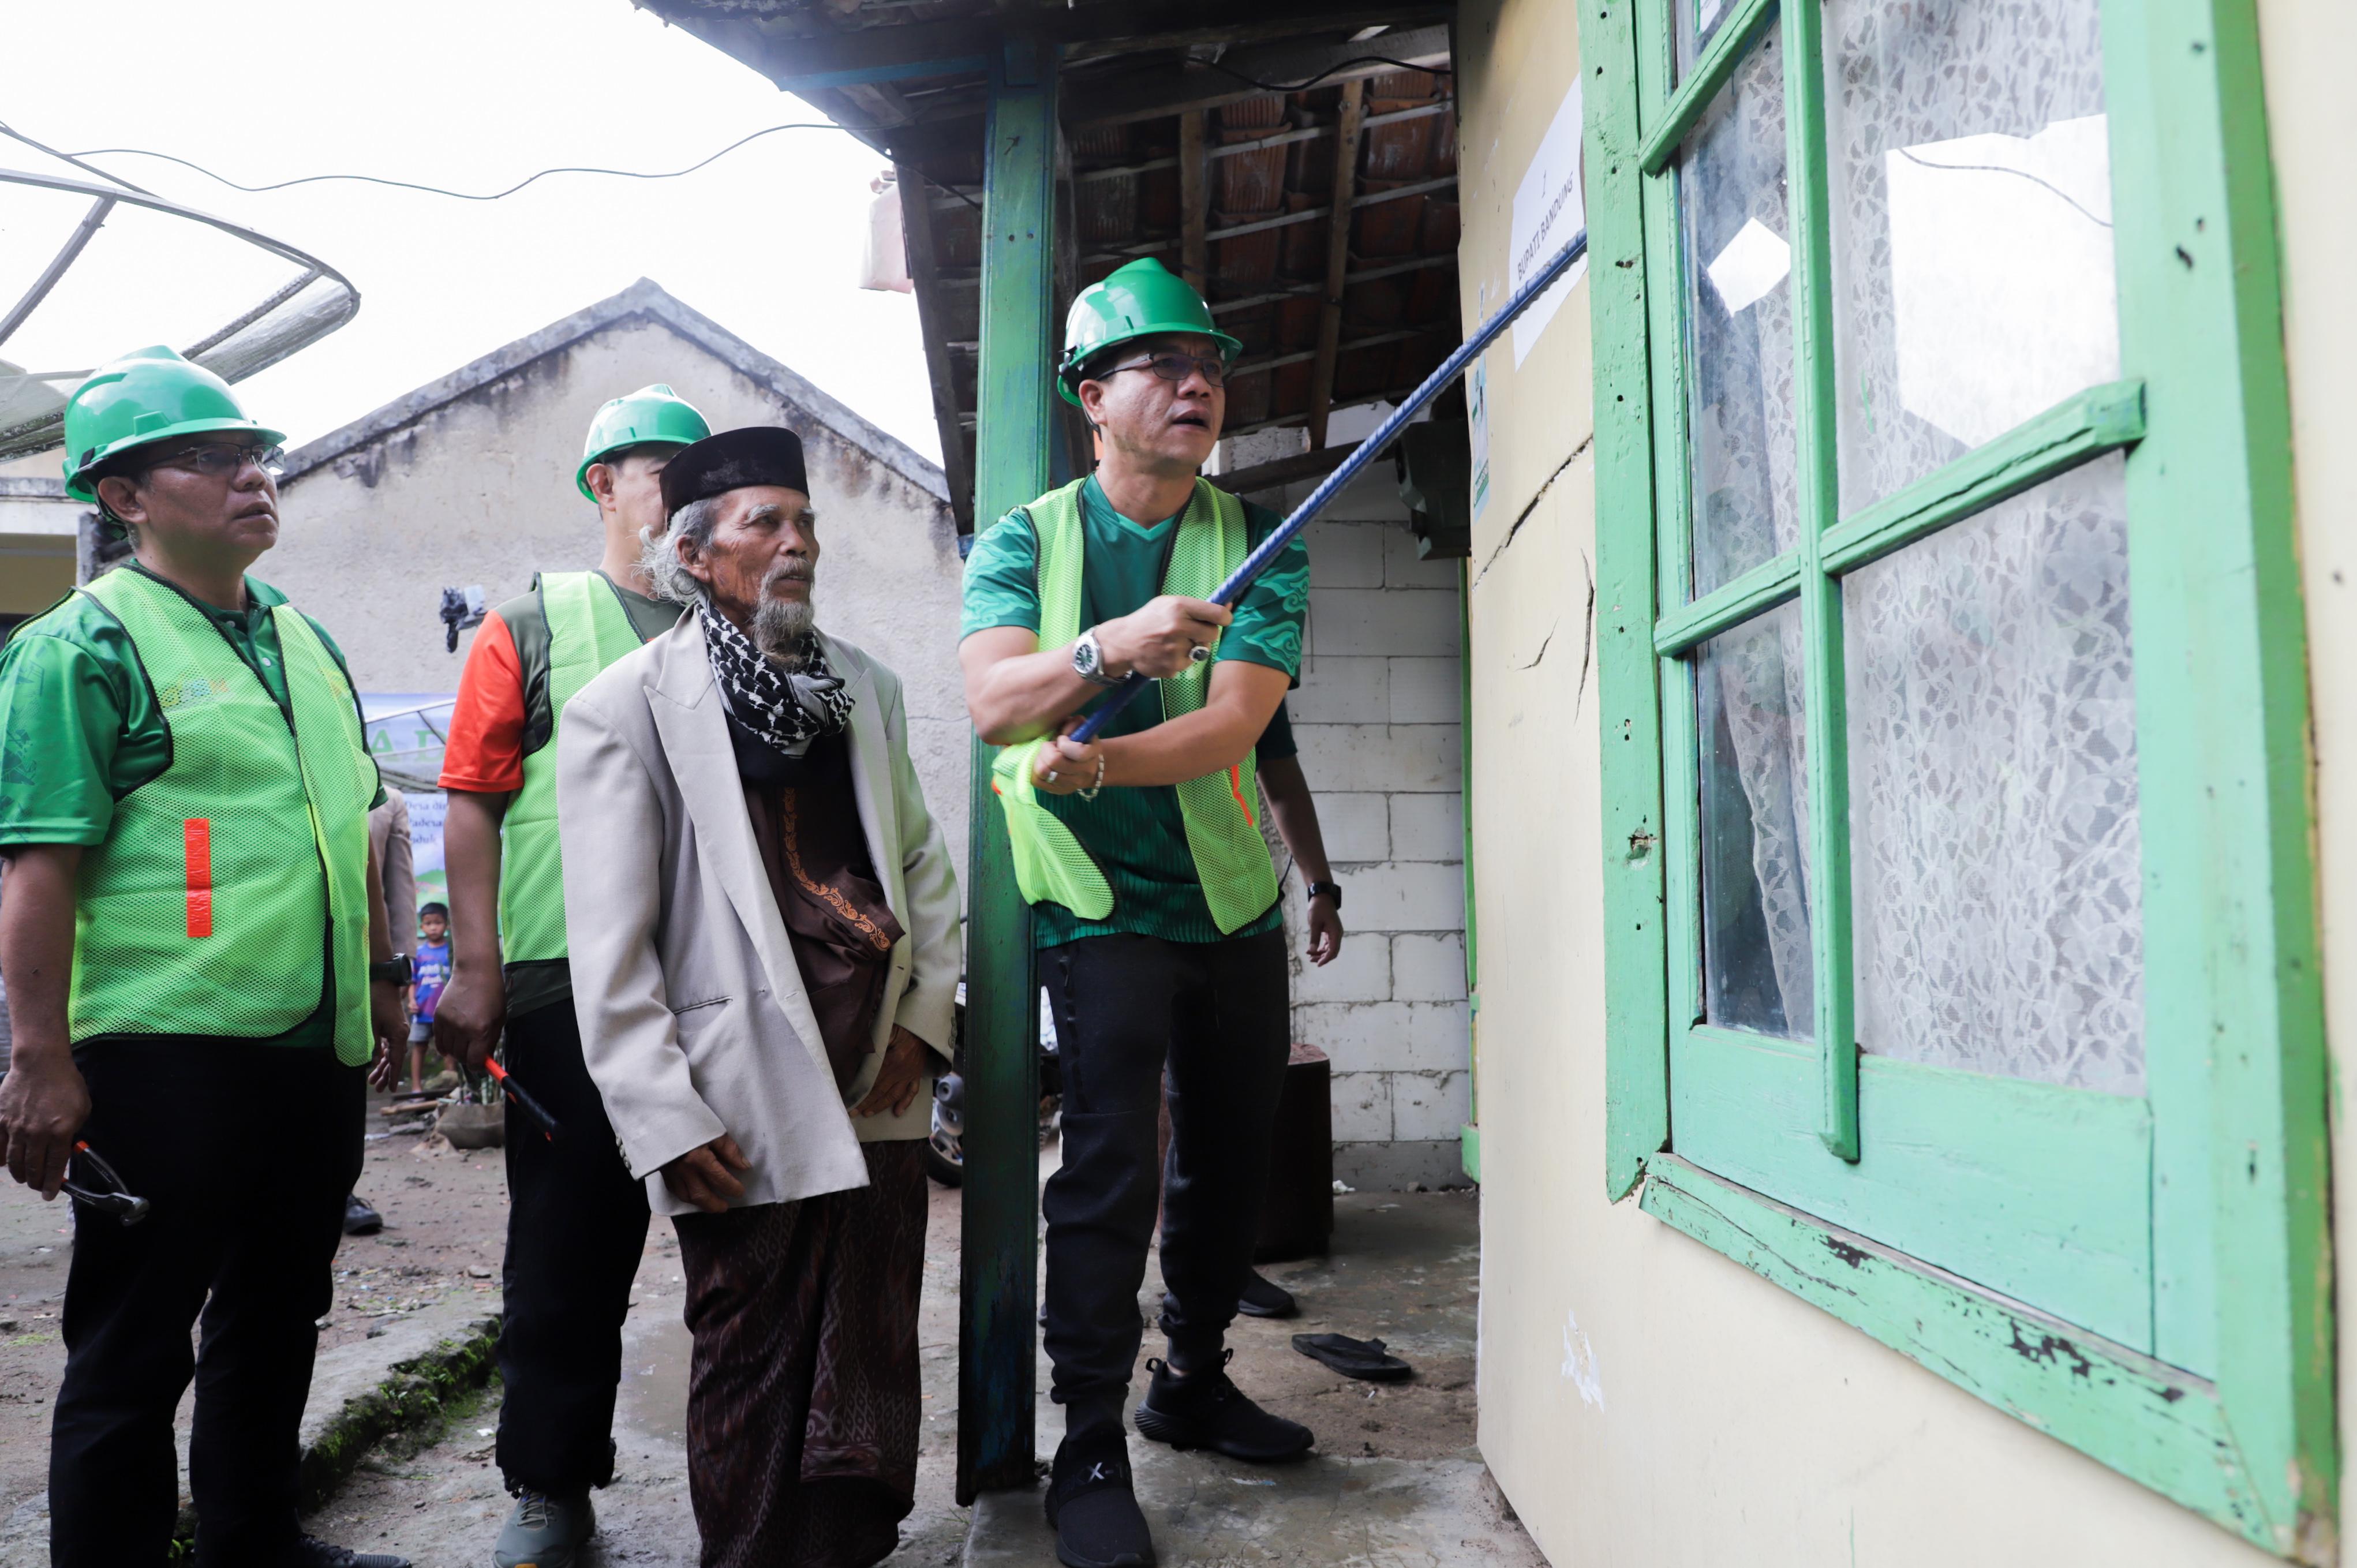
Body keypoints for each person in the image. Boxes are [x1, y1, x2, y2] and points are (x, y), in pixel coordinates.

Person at [0, 346, 410, 1568]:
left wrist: (388, 988)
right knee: (132, 1342)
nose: (252, 476)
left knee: (280, 1309)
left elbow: (355, 829)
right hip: (157, 1055)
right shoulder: (82, 646)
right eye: (211, 457)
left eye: (257, 455)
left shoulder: (305, 640)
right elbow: (36, 867)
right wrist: (37, 1060)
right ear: (123, 496)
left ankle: (253, 1536)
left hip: (309, 1048)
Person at [960, 256, 1314, 1568]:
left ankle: (1193, 1380)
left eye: (1208, 366)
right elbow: (996, 704)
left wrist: (1102, 750)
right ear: (1088, 399)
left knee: (1230, 1165)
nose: (1194, 384)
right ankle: (1088, 1442)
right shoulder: (1024, 540)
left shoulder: (1261, 535)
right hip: (1094, 904)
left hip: (1227, 902)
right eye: (1159, 365)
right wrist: (1111, 648)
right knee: (1107, 1175)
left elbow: (1234, 723)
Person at [560, 426, 959, 1565]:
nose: (796, 543)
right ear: (693, 553)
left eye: (805, 522)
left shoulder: (860, 685)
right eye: (762, 524)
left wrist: (927, 1020)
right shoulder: (623, 708)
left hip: (874, 1065)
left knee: (869, 1337)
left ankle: (842, 1548)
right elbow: (610, 940)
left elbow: (921, 865)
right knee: (748, 1353)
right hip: (736, 1089)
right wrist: (662, 1113)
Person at [430, 384, 710, 1568]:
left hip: (717, 984)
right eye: (661, 472)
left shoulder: (747, 624)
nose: (687, 497)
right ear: (604, 485)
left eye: (703, 478)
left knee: (746, 1246)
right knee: (565, 1249)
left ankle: (755, 1478)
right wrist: (477, 965)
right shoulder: (533, 621)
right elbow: (472, 801)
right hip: (567, 984)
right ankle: (550, 1483)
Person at [344, 786, 420, 1237]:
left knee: (349, 1073)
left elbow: (400, 889)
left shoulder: (387, 801)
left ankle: (340, 1188)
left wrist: (398, 972)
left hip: (362, 964)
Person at [409, 902, 453, 1092]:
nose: (433, 927)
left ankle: (451, 1087)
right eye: (428, 923)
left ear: (447, 925)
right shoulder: (418, 953)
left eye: (438, 922)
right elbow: (412, 981)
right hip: (422, 1011)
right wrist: (411, 1001)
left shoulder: (451, 952)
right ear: (422, 927)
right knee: (419, 1047)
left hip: (446, 1012)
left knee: (448, 1048)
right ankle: (416, 1088)